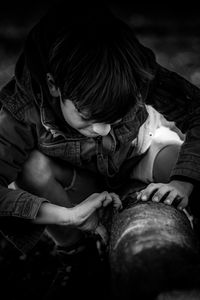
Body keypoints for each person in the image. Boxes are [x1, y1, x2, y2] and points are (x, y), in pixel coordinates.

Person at [0, 0, 199, 257]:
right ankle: (76, 251)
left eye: (116, 116)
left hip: (144, 153)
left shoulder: (133, 73)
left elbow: (197, 111)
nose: (104, 130)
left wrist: (183, 182)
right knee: (33, 168)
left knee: (190, 165)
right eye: (87, 116)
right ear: (53, 85)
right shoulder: (21, 108)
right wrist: (68, 215)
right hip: (76, 187)